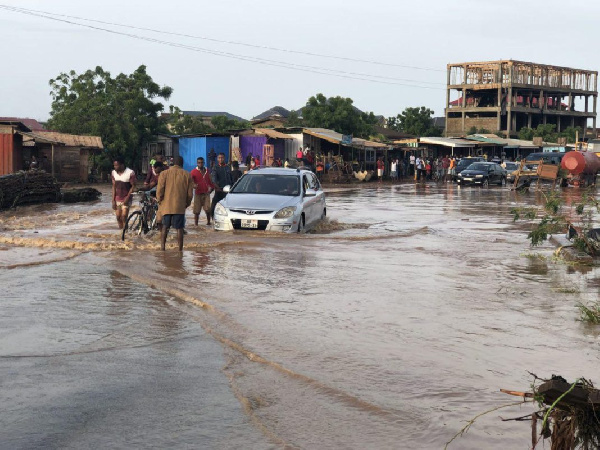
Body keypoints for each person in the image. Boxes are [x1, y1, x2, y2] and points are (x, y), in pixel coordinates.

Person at [157, 156, 193, 251]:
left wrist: (160, 201)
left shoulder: (164, 173)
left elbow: (160, 190)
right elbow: (190, 194)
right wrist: (186, 204)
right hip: (179, 206)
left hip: (166, 205)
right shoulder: (187, 174)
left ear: (173, 163)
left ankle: (162, 248)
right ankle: (180, 250)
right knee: (179, 228)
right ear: (182, 164)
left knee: (165, 226)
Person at [111, 156, 136, 229]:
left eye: (116, 165)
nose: (115, 167)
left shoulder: (130, 173)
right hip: (117, 198)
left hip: (126, 197)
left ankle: (125, 232)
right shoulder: (113, 173)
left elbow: (133, 186)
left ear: (122, 165)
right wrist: (113, 200)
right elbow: (114, 186)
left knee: (124, 216)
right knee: (118, 217)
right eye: (114, 165)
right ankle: (121, 231)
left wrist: (127, 198)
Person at [190, 157, 215, 226]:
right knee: (196, 211)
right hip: (198, 194)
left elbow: (211, 181)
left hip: (206, 193)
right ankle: (196, 225)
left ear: (204, 163)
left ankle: (208, 222)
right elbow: (190, 181)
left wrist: (212, 188)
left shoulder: (207, 171)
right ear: (197, 163)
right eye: (199, 163)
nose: (200, 164)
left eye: (202, 162)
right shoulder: (193, 172)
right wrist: (193, 185)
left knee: (207, 209)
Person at [211, 153, 232, 219]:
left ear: (224, 158)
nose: (221, 159)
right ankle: (213, 220)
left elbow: (231, 179)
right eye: (219, 158)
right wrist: (218, 188)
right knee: (213, 206)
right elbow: (214, 180)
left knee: (228, 207)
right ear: (217, 159)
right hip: (219, 190)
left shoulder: (227, 167)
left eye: (222, 158)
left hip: (228, 191)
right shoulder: (215, 168)